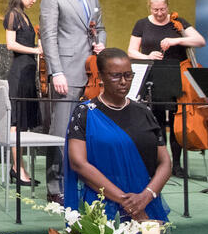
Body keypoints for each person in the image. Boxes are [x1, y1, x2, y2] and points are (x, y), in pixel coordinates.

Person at [65, 48, 172, 223]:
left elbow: (165, 162)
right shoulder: (85, 113)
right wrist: (126, 201)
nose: (123, 82)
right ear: (101, 76)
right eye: (116, 76)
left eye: (128, 76)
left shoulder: (144, 112)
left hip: (145, 203)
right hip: (102, 205)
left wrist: (146, 196)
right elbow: (78, 163)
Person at [39, 0, 106, 202]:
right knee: (61, 129)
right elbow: (48, 36)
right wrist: (56, 72)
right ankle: (55, 187)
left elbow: (100, 28)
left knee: (87, 130)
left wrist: (101, 43)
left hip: (92, 73)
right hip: (66, 71)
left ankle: (84, 181)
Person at [127, 0, 206, 178]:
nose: (160, 13)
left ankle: (177, 165)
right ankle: (161, 163)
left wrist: (176, 40)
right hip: (153, 76)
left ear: (167, 7)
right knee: (157, 121)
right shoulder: (142, 24)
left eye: (162, 9)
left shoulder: (178, 23)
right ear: (150, 7)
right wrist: (147, 56)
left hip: (177, 76)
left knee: (178, 121)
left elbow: (200, 41)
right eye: (155, 10)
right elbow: (131, 51)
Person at [2, 0, 43, 183]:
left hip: (27, 73)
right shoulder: (13, 14)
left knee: (23, 123)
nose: (34, 0)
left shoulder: (24, 16)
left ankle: (18, 167)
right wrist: (35, 50)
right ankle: (18, 169)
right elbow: (10, 44)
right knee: (16, 122)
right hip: (19, 74)